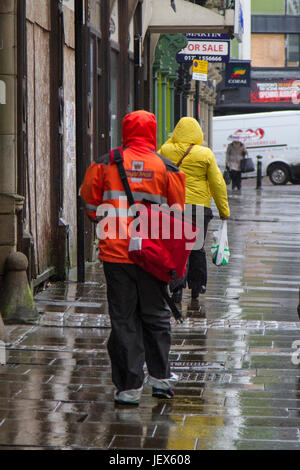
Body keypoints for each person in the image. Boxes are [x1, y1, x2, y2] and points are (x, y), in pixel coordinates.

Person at [80, 110, 186, 406]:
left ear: (125, 131)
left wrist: (106, 223)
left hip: (116, 254)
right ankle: (162, 381)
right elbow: (177, 213)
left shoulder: (105, 163)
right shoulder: (168, 168)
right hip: (153, 257)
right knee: (155, 315)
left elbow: (89, 201)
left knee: (124, 318)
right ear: (152, 133)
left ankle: (128, 388)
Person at [159, 117, 230, 303]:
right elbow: (217, 183)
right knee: (196, 247)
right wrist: (224, 210)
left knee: (176, 248)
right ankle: (197, 286)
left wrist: (172, 141)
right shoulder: (205, 154)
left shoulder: (166, 150)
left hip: (173, 206)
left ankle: (176, 287)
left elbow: (156, 166)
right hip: (198, 207)